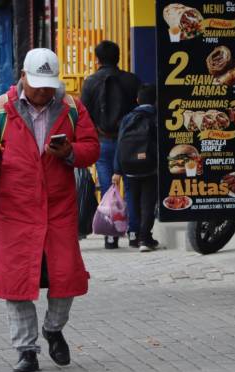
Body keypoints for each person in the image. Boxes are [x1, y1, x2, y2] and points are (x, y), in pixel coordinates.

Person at [0, 48, 100, 372]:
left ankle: (53, 329)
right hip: (15, 211)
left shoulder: (71, 107)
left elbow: (91, 148)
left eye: (48, 86)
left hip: (59, 208)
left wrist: (70, 151)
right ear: (23, 77)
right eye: (37, 85)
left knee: (65, 275)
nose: (43, 92)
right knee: (16, 282)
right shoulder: (1, 109)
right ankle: (26, 350)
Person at [81, 40, 141, 249]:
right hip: (131, 143)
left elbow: (84, 115)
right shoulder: (132, 80)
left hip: (103, 141)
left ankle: (111, 235)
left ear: (97, 59)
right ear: (119, 57)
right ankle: (134, 233)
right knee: (133, 185)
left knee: (108, 188)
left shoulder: (89, 82)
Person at [112, 84, 160, 252]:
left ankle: (133, 236)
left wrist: (117, 170)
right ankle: (145, 239)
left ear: (137, 100)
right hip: (150, 167)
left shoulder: (127, 118)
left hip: (130, 168)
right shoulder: (156, 117)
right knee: (148, 203)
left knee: (132, 201)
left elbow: (120, 144)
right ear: (155, 100)